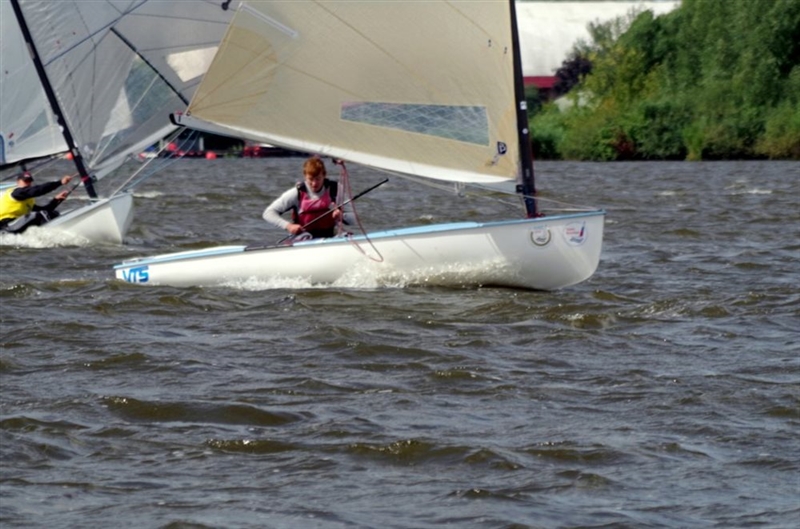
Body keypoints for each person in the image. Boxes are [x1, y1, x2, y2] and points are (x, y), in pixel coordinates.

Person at [262, 156, 354, 239]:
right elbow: (268, 213)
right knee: (305, 237)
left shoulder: (335, 189)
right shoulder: (297, 193)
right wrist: (288, 226)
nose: (314, 183)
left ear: (324, 175)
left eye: (318, 179)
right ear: (305, 176)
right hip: (303, 238)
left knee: (347, 236)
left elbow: (353, 220)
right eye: (310, 179)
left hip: (328, 238)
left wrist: (341, 216)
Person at [0, 171, 73, 234]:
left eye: (29, 181)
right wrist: (60, 182)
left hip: (16, 225)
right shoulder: (16, 193)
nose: (28, 183)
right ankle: (54, 232)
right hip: (5, 226)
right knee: (38, 215)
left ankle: (64, 229)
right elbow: (37, 190)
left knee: (53, 213)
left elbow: (44, 210)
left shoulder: (27, 201)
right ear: (18, 182)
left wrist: (56, 200)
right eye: (25, 181)